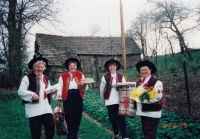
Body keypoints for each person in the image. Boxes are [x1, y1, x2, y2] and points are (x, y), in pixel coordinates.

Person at [18, 55, 57, 139]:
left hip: (46, 108)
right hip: (34, 109)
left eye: (41, 67)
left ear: (44, 68)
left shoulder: (46, 78)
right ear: (33, 68)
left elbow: (49, 91)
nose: (40, 69)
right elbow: (21, 91)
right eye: (37, 67)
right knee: (36, 131)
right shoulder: (27, 77)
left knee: (51, 126)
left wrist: (52, 92)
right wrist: (32, 94)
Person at [57, 57, 88, 139]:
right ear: (68, 67)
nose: (72, 67)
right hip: (68, 96)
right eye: (71, 66)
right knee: (69, 115)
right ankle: (69, 135)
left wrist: (85, 85)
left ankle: (75, 134)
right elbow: (60, 87)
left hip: (78, 95)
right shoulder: (62, 76)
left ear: (76, 66)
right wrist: (59, 99)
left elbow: (84, 89)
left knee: (78, 115)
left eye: (74, 66)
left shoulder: (80, 74)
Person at [134, 60, 164, 139]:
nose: (143, 72)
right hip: (143, 112)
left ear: (150, 70)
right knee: (147, 132)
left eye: (145, 70)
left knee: (149, 134)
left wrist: (142, 99)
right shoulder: (139, 82)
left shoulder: (156, 82)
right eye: (141, 70)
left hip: (152, 112)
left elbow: (158, 96)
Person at [100, 58, 129, 139]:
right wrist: (103, 99)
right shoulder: (105, 77)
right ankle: (116, 133)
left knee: (121, 118)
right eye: (110, 66)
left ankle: (124, 136)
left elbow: (125, 86)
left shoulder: (121, 76)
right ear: (108, 67)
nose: (112, 68)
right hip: (110, 100)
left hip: (120, 100)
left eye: (113, 66)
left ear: (116, 67)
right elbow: (102, 89)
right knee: (112, 118)